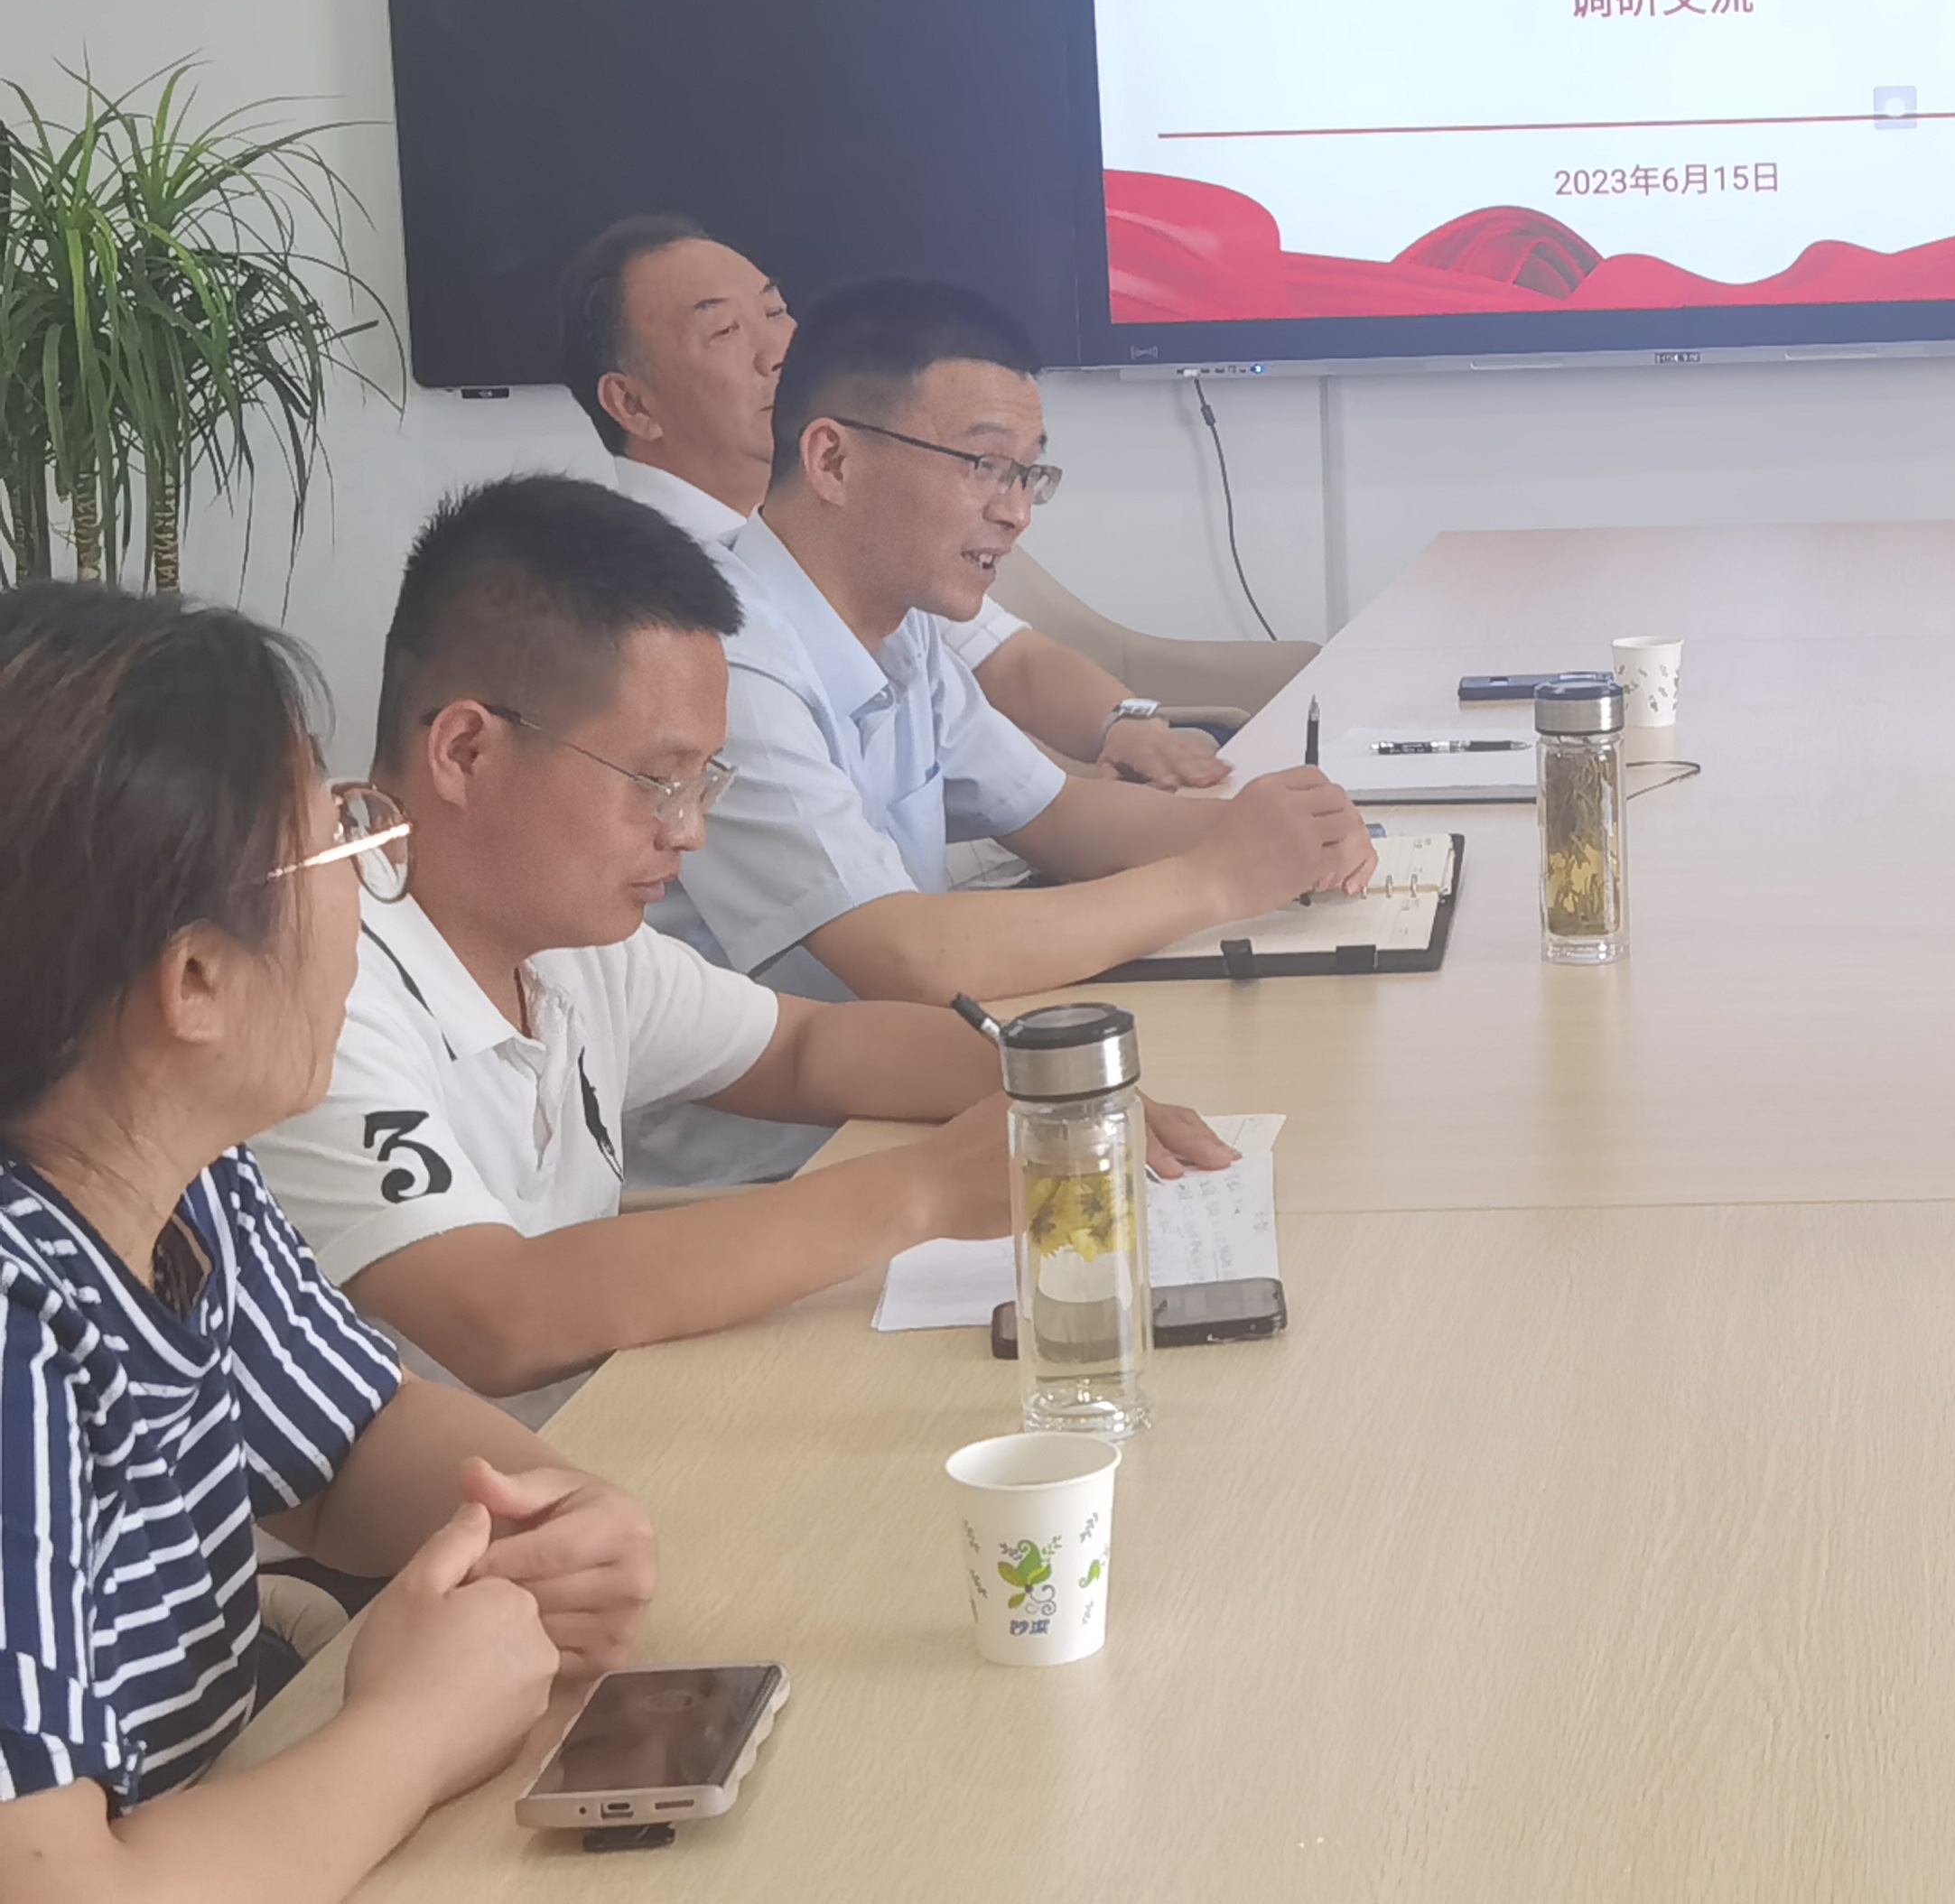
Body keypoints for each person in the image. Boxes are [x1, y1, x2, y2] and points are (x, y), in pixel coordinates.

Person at [246, 478, 1233, 1424]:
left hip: (606, 1433)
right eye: (655, 781)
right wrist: (929, 1185)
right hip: (459, 1512)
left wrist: (1047, 1095)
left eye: (702, 782)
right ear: (466, 751)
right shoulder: (315, 976)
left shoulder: (561, 933)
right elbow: (494, 1317)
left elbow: (802, 1048)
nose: (688, 831)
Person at [0, 583, 658, 1897]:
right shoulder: (18, 1317)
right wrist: (414, 1729)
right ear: (195, 980)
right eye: (340, 842)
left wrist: (548, 1514)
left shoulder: (185, 1177)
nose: (370, 886)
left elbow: (348, 1447)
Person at [636, 277, 1371, 1184]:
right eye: (982, 465)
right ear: (831, 460)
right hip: (770, 1172)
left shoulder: (900, 628)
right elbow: (906, 955)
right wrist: (1218, 876)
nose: (1015, 511)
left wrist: (1278, 831)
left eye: (1028, 474)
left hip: (910, 1103)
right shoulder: (724, 660)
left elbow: (1059, 816)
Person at [554, 212, 1231, 789]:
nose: (779, 351)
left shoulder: (859, 528)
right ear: (632, 404)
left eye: (776, 312)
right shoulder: (647, 608)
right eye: (725, 333)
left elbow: (1011, 662)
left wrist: (1125, 727)